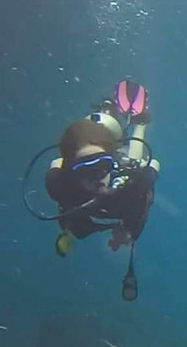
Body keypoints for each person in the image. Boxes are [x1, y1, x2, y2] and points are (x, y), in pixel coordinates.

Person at [41, 80, 160, 300]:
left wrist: (140, 176)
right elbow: (57, 167)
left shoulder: (129, 184)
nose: (96, 178)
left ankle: (136, 123)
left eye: (102, 166)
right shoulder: (60, 184)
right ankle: (117, 118)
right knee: (80, 229)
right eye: (86, 170)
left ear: (110, 163)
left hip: (120, 176)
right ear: (72, 171)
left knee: (133, 165)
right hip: (86, 203)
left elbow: (152, 167)